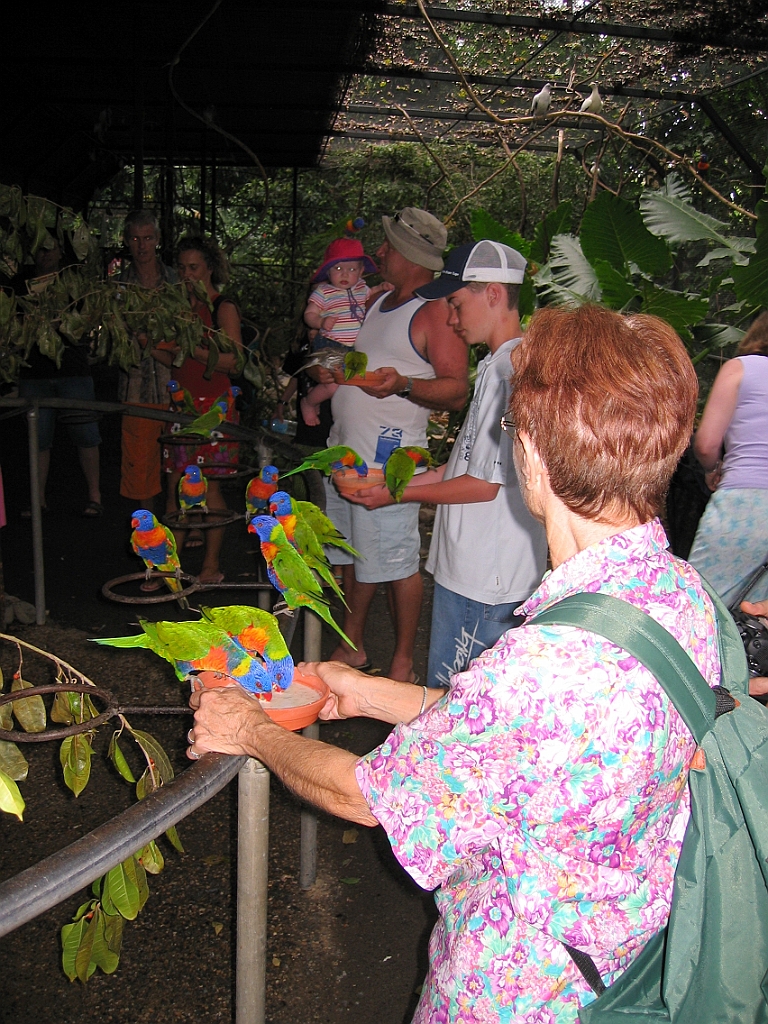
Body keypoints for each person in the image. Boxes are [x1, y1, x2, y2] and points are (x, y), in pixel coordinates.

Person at [189, 304, 717, 1023]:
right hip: (632, 958)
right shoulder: (678, 593)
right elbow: (538, 740)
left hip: (520, 987)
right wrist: (370, 693)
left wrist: (247, 729)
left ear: (533, 453)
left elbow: (367, 797)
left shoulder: (543, 665)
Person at [348, 240, 547, 688]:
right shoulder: (495, 367)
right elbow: (464, 466)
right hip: (468, 570)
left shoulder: (511, 372)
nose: (451, 319)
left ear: (492, 294)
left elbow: (483, 486)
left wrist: (397, 494)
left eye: (456, 304)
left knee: (461, 704)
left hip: (488, 578)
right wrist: (388, 481)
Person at [317, 208, 469, 682]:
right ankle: (353, 644)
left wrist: (403, 384)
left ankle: (403, 662)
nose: (378, 252)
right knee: (355, 553)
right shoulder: (380, 300)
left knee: (399, 562)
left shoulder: (435, 312)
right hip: (348, 452)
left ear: (410, 256)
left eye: (387, 246)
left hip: (389, 461)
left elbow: (456, 389)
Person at [160, 236, 243, 585]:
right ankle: (169, 567)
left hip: (215, 408)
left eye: (193, 267)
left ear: (209, 268)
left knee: (209, 488)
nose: (186, 274)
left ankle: (210, 565)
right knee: (175, 485)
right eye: (181, 267)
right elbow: (172, 358)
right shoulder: (179, 309)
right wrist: (149, 345)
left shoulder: (222, 307)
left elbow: (235, 361)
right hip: (181, 406)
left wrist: (191, 348)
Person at [687, 311, 768, 604]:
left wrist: (713, 469)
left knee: (701, 604)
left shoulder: (740, 368)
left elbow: (706, 444)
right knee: (757, 613)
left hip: (744, 506)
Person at [18, 241, 102, 516]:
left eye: (50, 248)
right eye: (40, 248)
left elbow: (87, 320)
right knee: (38, 438)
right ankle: (38, 499)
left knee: (86, 433)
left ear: (60, 252)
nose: (45, 254)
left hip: (73, 369)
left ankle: (95, 496)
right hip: (34, 371)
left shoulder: (74, 282)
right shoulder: (20, 284)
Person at [117, 210, 178, 504]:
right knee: (140, 466)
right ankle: (148, 525)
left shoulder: (176, 281)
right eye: (135, 239)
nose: (142, 246)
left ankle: (178, 519)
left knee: (181, 461)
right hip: (135, 387)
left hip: (175, 385)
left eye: (148, 238)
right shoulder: (118, 286)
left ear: (158, 240)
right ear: (126, 241)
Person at [300, 237, 378, 426]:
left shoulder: (362, 288)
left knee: (352, 383)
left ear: (361, 271)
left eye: (352, 269)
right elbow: (309, 314)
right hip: (331, 344)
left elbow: (373, 296)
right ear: (328, 271)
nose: (344, 274)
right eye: (338, 268)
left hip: (354, 348)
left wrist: (383, 287)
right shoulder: (324, 292)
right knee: (333, 385)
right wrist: (320, 321)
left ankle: (341, 416)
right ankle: (308, 402)